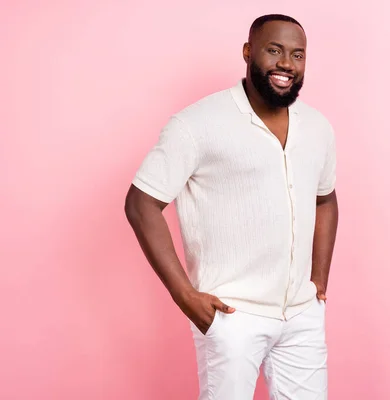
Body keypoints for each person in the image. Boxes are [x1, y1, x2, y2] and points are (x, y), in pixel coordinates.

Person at [124, 13, 338, 400]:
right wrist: (184, 295)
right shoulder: (197, 123)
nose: (287, 64)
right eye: (274, 51)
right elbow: (141, 203)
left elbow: (326, 198)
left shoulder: (318, 127)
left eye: (298, 54)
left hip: (301, 314)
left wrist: (318, 279)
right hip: (230, 315)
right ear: (248, 52)